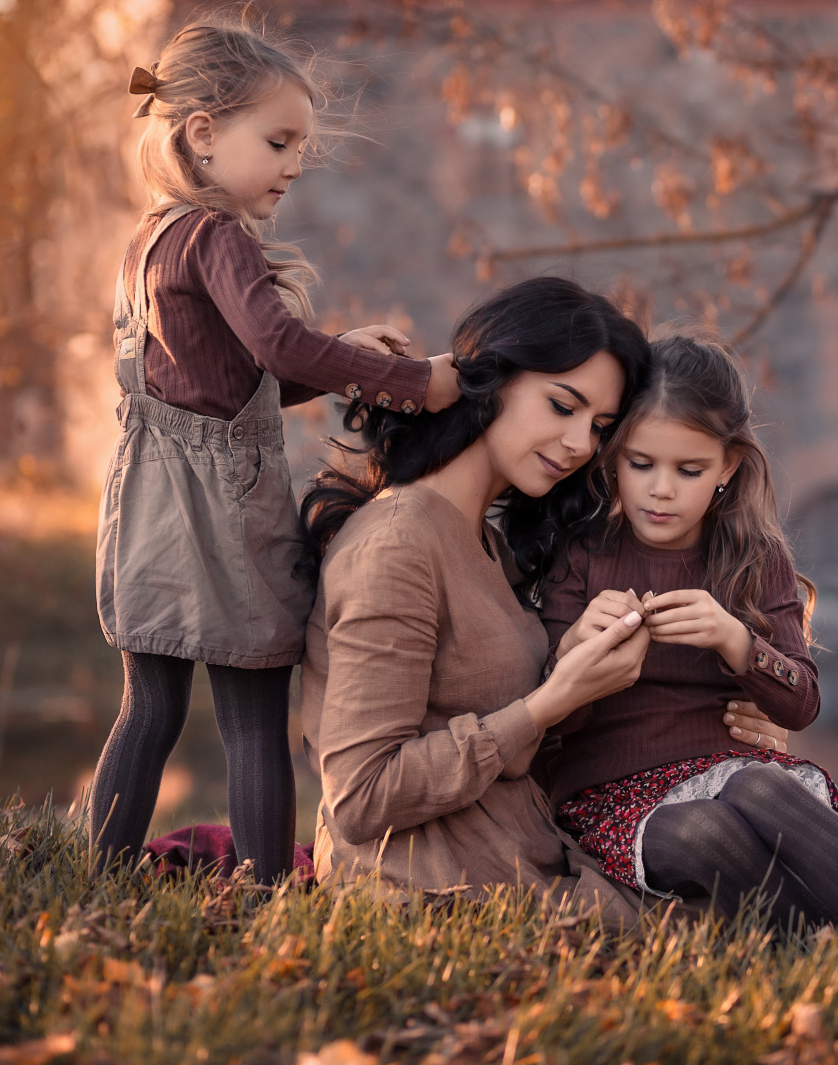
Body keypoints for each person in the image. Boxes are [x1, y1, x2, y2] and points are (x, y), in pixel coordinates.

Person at [89, 18, 461, 884]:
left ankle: (95, 881)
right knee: (255, 717)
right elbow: (283, 350)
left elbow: (231, 380)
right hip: (220, 516)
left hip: (149, 505)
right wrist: (409, 382)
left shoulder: (152, 236)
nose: (295, 164)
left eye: (302, 145)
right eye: (280, 140)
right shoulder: (219, 237)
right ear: (205, 134)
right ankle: (263, 902)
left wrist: (347, 359)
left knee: (149, 706)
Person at [295, 278, 790, 920]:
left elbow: (516, 747)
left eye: (600, 427)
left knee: (780, 830)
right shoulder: (398, 544)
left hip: (528, 859)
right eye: (563, 406)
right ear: (494, 379)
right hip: (439, 888)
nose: (582, 444)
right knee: (780, 890)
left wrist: (726, 725)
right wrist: (550, 701)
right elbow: (360, 798)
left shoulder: (488, 544)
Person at [538, 335, 838, 949]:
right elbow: (551, 725)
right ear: (614, 455)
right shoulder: (582, 557)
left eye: (689, 471)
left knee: (760, 785)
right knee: (707, 830)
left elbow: (802, 705)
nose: (661, 490)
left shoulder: (753, 559)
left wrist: (737, 643)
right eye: (641, 464)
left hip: (731, 773)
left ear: (727, 466)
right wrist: (578, 648)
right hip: (610, 798)